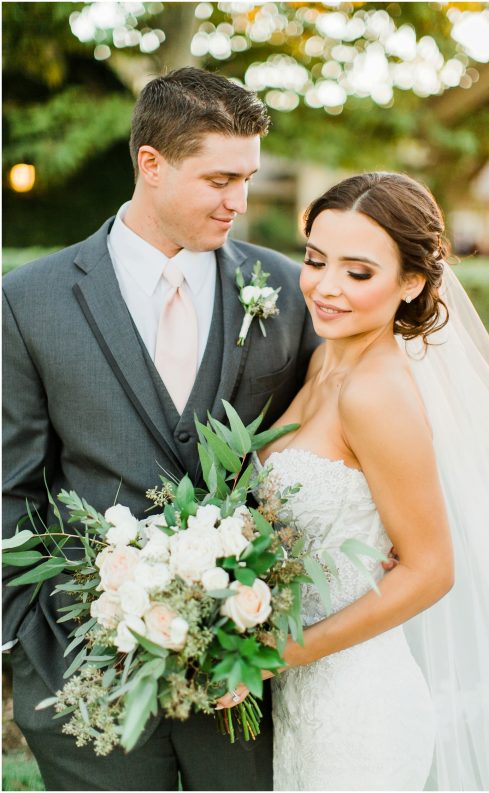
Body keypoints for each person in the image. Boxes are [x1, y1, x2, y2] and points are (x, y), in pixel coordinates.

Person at [2, 67, 320, 791]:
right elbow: (10, 486)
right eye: (219, 179)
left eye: (248, 177)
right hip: (89, 682)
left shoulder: (286, 291)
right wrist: (24, 640)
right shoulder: (28, 300)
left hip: (247, 688)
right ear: (151, 163)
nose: (239, 201)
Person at [254, 172, 489, 791]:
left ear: (411, 282)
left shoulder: (378, 395)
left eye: (357, 272)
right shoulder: (327, 358)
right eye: (316, 260)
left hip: (360, 712)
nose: (324, 288)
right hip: (305, 695)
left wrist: (272, 655)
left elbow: (431, 570)